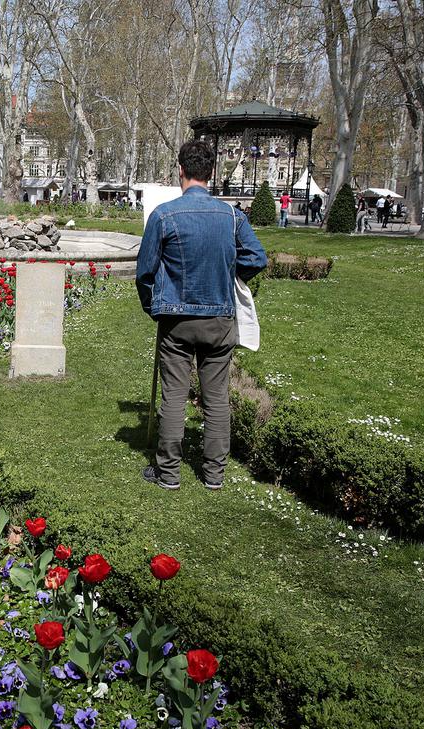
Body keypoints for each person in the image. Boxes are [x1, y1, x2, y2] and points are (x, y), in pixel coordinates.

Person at [136, 139, 267, 491]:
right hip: (218, 319)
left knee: (174, 397)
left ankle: (169, 473)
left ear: (180, 169)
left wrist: (154, 308)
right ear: (211, 173)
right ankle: (213, 475)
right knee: (216, 398)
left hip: (176, 320)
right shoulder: (232, 216)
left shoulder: (163, 216)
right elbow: (257, 258)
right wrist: (228, 272)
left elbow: (145, 273)